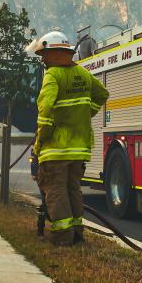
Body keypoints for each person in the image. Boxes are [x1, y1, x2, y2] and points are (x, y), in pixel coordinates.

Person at [32, 31, 109, 246]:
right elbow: (102, 94)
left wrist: (39, 143)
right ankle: (77, 234)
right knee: (72, 189)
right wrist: (84, 114)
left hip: (56, 147)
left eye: (45, 54)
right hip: (79, 147)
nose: (43, 59)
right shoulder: (83, 75)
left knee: (55, 190)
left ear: (56, 53)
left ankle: (62, 238)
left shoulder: (53, 76)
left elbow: (45, 111)